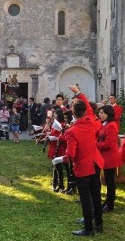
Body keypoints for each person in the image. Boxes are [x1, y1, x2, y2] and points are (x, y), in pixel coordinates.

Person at [53, 85, 104, 237]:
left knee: (85, 199)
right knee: (96, 195)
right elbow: (88, 107)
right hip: (95, 163)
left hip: (83, 167)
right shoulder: (91, 121)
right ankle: (99, 223)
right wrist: (79, 93)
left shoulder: (72, 131)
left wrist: (61, 158)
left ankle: (89, 228)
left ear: (73, 113)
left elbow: (71, 154)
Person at [96, 105, 122, 213]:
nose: (99, 115)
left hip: (110, 158)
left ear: (108, 114)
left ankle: (110, 204)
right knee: (107, 181)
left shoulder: (111, 125)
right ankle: (107, 201)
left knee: (110, 182)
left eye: (101, 113)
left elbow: (109, 144)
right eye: (99, 113)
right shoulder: (104, 124)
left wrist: (95, 144)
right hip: (105, 157)